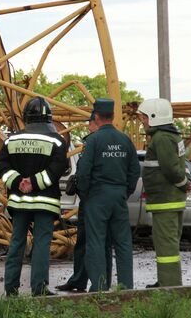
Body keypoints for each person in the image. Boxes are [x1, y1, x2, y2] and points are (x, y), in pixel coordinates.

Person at [0, 97, 69, 296]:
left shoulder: (11, 140)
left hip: (19, 202)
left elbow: (0, 166)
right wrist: (34, 182)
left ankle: (10, 289)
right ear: (49, 119)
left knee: (17, 243)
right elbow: (57, 170)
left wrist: (19, 181)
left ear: (27, 118)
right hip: (45, 203)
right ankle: (39, 289)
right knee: (41, 245)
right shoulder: (57, 141)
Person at [76, 98, 139, 292]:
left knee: (95, 241)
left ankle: (100, 286)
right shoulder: (125, 140)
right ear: (112, 116)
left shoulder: (93, 140)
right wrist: (124, 192)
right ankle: (126, 286)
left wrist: (86, 195)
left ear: (96, 116)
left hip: (97, 197)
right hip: (119, 196)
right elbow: (134, 171)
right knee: (122, 242)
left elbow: (83, 173)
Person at [137, 98, 191, 287]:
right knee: (169, 243)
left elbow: (170, 168)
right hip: (171, 200)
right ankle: (167, 281)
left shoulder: (161, 138)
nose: (142, 121)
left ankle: (169, 287)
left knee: (165, 245)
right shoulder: (172, 136)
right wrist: (186, 183)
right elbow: (180, 165)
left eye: (144, 117)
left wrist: (184, 184)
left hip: (165, 200)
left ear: (154, 117)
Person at [55, 113, 113, 293]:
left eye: (89, 124)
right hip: (109, 201)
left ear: (96, 122)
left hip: (91, 201)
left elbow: (84, 173)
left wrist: (82, 190)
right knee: (103, 243)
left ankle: (84, 281)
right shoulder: (117, 142)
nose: (88, 127)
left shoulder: (93, 143)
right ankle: (102, 282)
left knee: (87, 243)